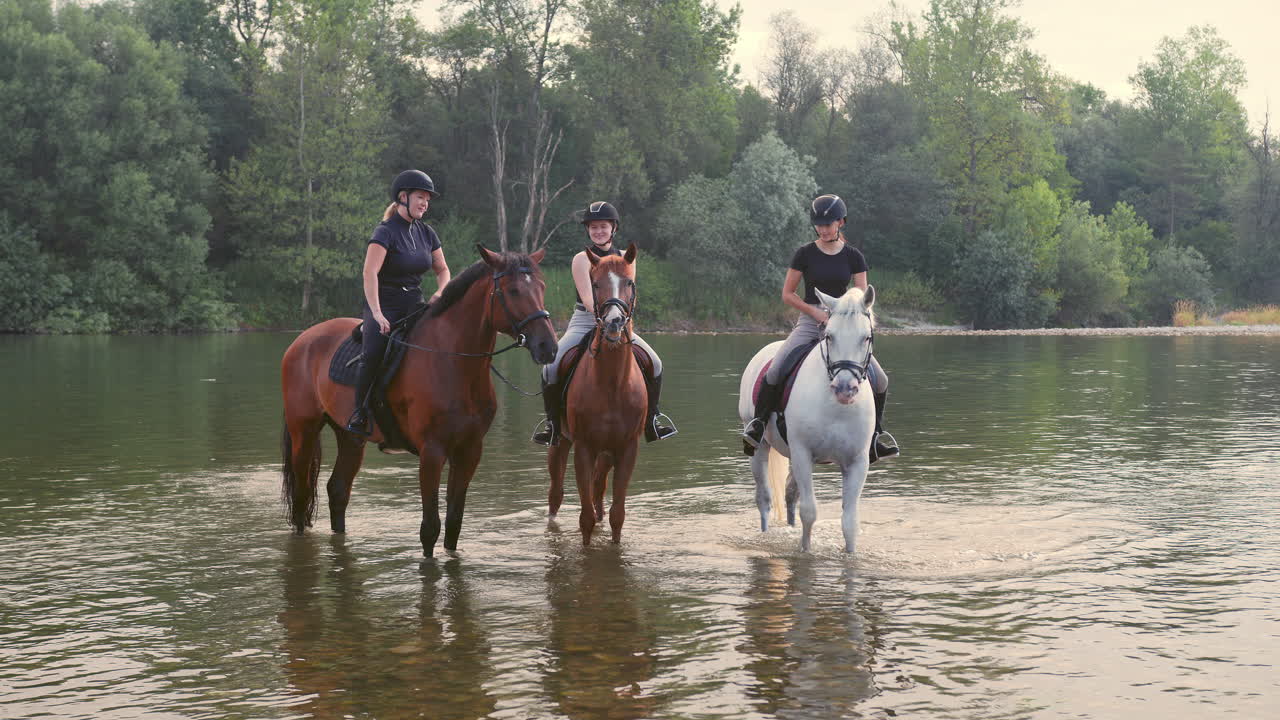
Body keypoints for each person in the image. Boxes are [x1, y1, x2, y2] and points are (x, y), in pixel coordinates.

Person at [741, 194, 899, 462]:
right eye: (819, 224)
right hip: (809, 322)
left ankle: (875, 436)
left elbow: (861, 298)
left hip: (844, 328)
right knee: (776, 370)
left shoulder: (854, 257)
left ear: (841, 223)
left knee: (880, 379)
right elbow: (788, 294)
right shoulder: (804, 254)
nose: (823, 229)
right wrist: (814, 311)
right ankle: (757, 425)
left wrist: (843, 316)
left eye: (828, 224)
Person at [531, 201, 677, 446]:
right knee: (551, 365)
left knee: (655, 362)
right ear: (588, 230)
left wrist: (619, 318)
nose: (598, 231)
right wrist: (606, 315)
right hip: (585, 321)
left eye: (603, 226)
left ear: (613, 228)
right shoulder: (581, 259)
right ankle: (553, 425)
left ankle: (652, 420)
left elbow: (630, 294)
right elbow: (588, 298)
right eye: (593, 227)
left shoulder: (626, 258)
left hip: (620, 322)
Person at [345, 169, 452, 436]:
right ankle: (359, 413)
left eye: (427, 199)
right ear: (403, 197)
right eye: (420, 197)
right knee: (373, 353)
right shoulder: (385, 231)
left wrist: (441, 291)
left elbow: (443, 270)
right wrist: (378, 314)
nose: (424, 203)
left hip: (414, 304)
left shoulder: (427, 233)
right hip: (384, 304)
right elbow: (369, 273)